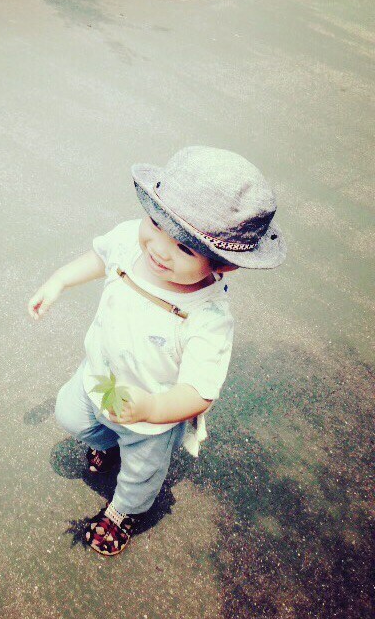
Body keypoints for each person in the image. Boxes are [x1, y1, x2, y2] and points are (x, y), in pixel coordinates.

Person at [27, 146, 286, 556]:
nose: (160, 249)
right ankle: (106, 442)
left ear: (223, 264)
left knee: (141, 472)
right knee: (71, 415)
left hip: (152, 410)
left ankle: (122, 512)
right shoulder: (131, 242)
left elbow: (200, 391)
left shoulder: (208, 317)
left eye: (185, 248)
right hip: (98, 376)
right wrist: (59, 280)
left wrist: (152, 408)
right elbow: (99, 257)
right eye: (156, 223)